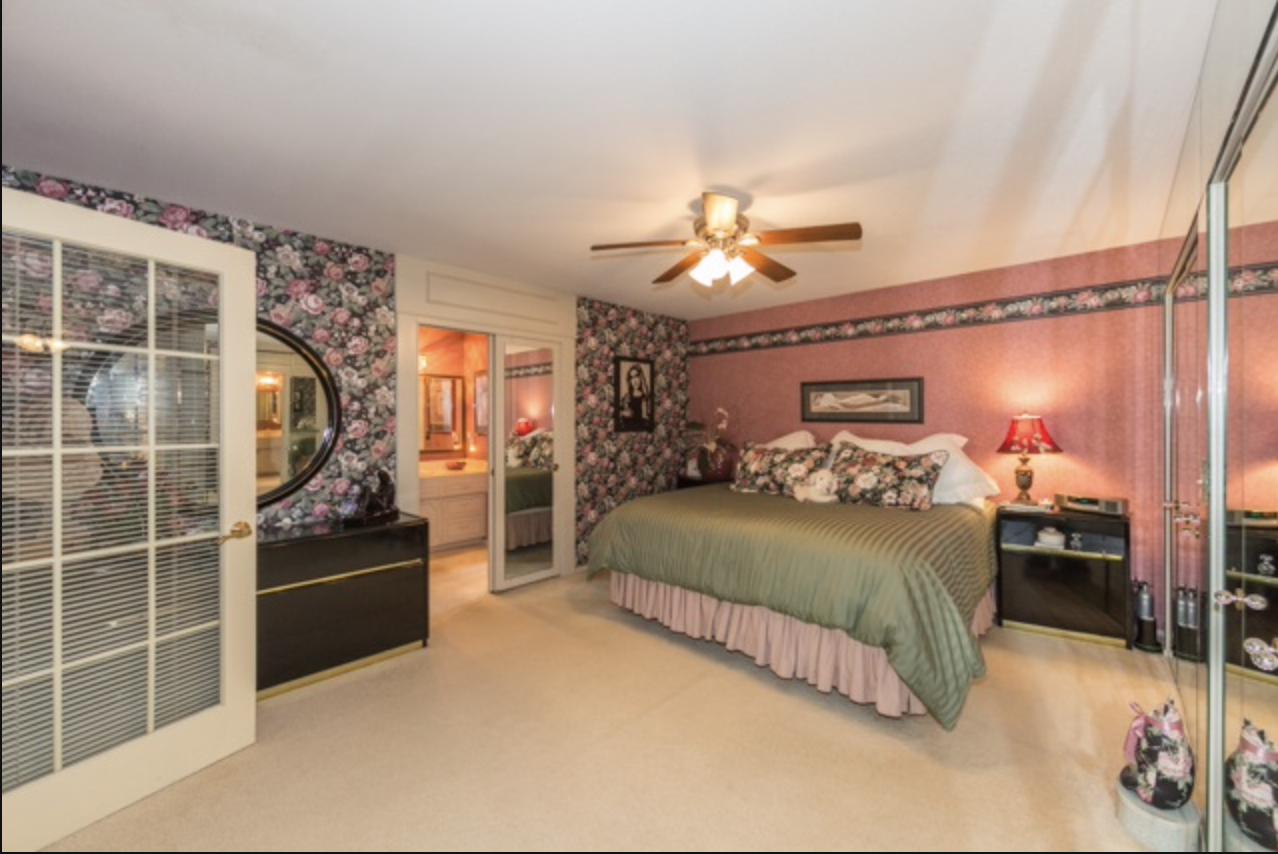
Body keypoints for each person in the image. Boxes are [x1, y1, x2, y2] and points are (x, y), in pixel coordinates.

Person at [618, 363, 652, 430]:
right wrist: (623, 413)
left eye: (636, 376)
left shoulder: (645, 398)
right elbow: (617, 412)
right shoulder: (626, 398)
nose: (634, 380)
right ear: (629, 381)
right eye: (631, 377)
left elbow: (647, 421)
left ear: (640, 377)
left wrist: (646, 416)